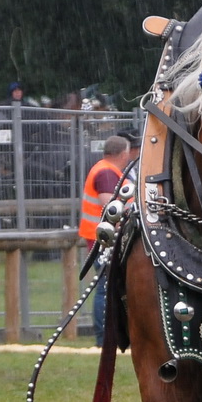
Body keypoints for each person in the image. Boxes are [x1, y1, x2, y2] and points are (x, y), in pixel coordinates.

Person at [79, 135, 131, 346]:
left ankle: (107, 335)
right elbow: (110, 207)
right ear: (123, 154)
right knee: (105, 286)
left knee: (106, 285)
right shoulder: (107, 172)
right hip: (104, 239)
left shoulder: (104, 169)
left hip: (100, 237)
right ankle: (103, 337)